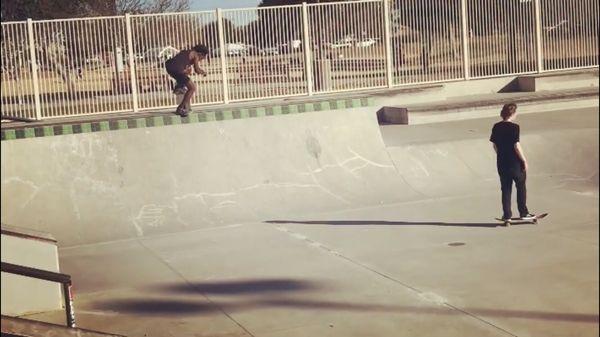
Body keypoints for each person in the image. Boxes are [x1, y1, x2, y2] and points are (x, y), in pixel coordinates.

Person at [489, 103, 535, 222]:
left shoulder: (496, 126)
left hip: (502, 162)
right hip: (514, 162)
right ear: (513, 113)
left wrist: (501, 154)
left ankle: (507, 215)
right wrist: (523, 160)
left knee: (505, 188)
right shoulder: (515, 127)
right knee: (520, 186)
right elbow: (516, 145)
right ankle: (523, 213)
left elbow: (494, 145)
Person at [165, 44, 209, 116]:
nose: (201, 60)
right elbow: (197, 69)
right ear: (200, 54)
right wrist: (203, 72)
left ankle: (179, 86)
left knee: (183, 77)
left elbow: (179, 63)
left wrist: (186, 71)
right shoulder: (195, 55)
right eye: (202, 58)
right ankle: (180, 108)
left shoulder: (186, 52)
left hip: (169, 66)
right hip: (176, 69)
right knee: (192, 88)